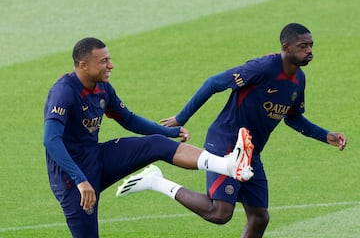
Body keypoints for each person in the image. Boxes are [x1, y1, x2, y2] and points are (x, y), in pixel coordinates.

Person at [116, 23, 347, 237]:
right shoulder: (262, 68)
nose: (309, 50)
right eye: (303, 46)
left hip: (250, 152)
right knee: (220, 213)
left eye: (311, 45)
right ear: (286, 48)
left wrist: (327, 136)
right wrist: (181, 117)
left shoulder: (299, 80)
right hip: (226, 141)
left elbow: (294, 119)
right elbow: (214, 83)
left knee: (259, 217)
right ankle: (155, 181)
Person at [43, 37, 255, 238]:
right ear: (83, 65)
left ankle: (227, 166)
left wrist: (169, 132)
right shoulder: (64, 92)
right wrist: (80, 180)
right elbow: (51, 140)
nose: (111, 65)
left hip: (97, 158)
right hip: (70, 178)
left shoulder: (102, 88)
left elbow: (128, 119)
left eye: (109, 59)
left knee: (157, 144)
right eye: (104, 61)